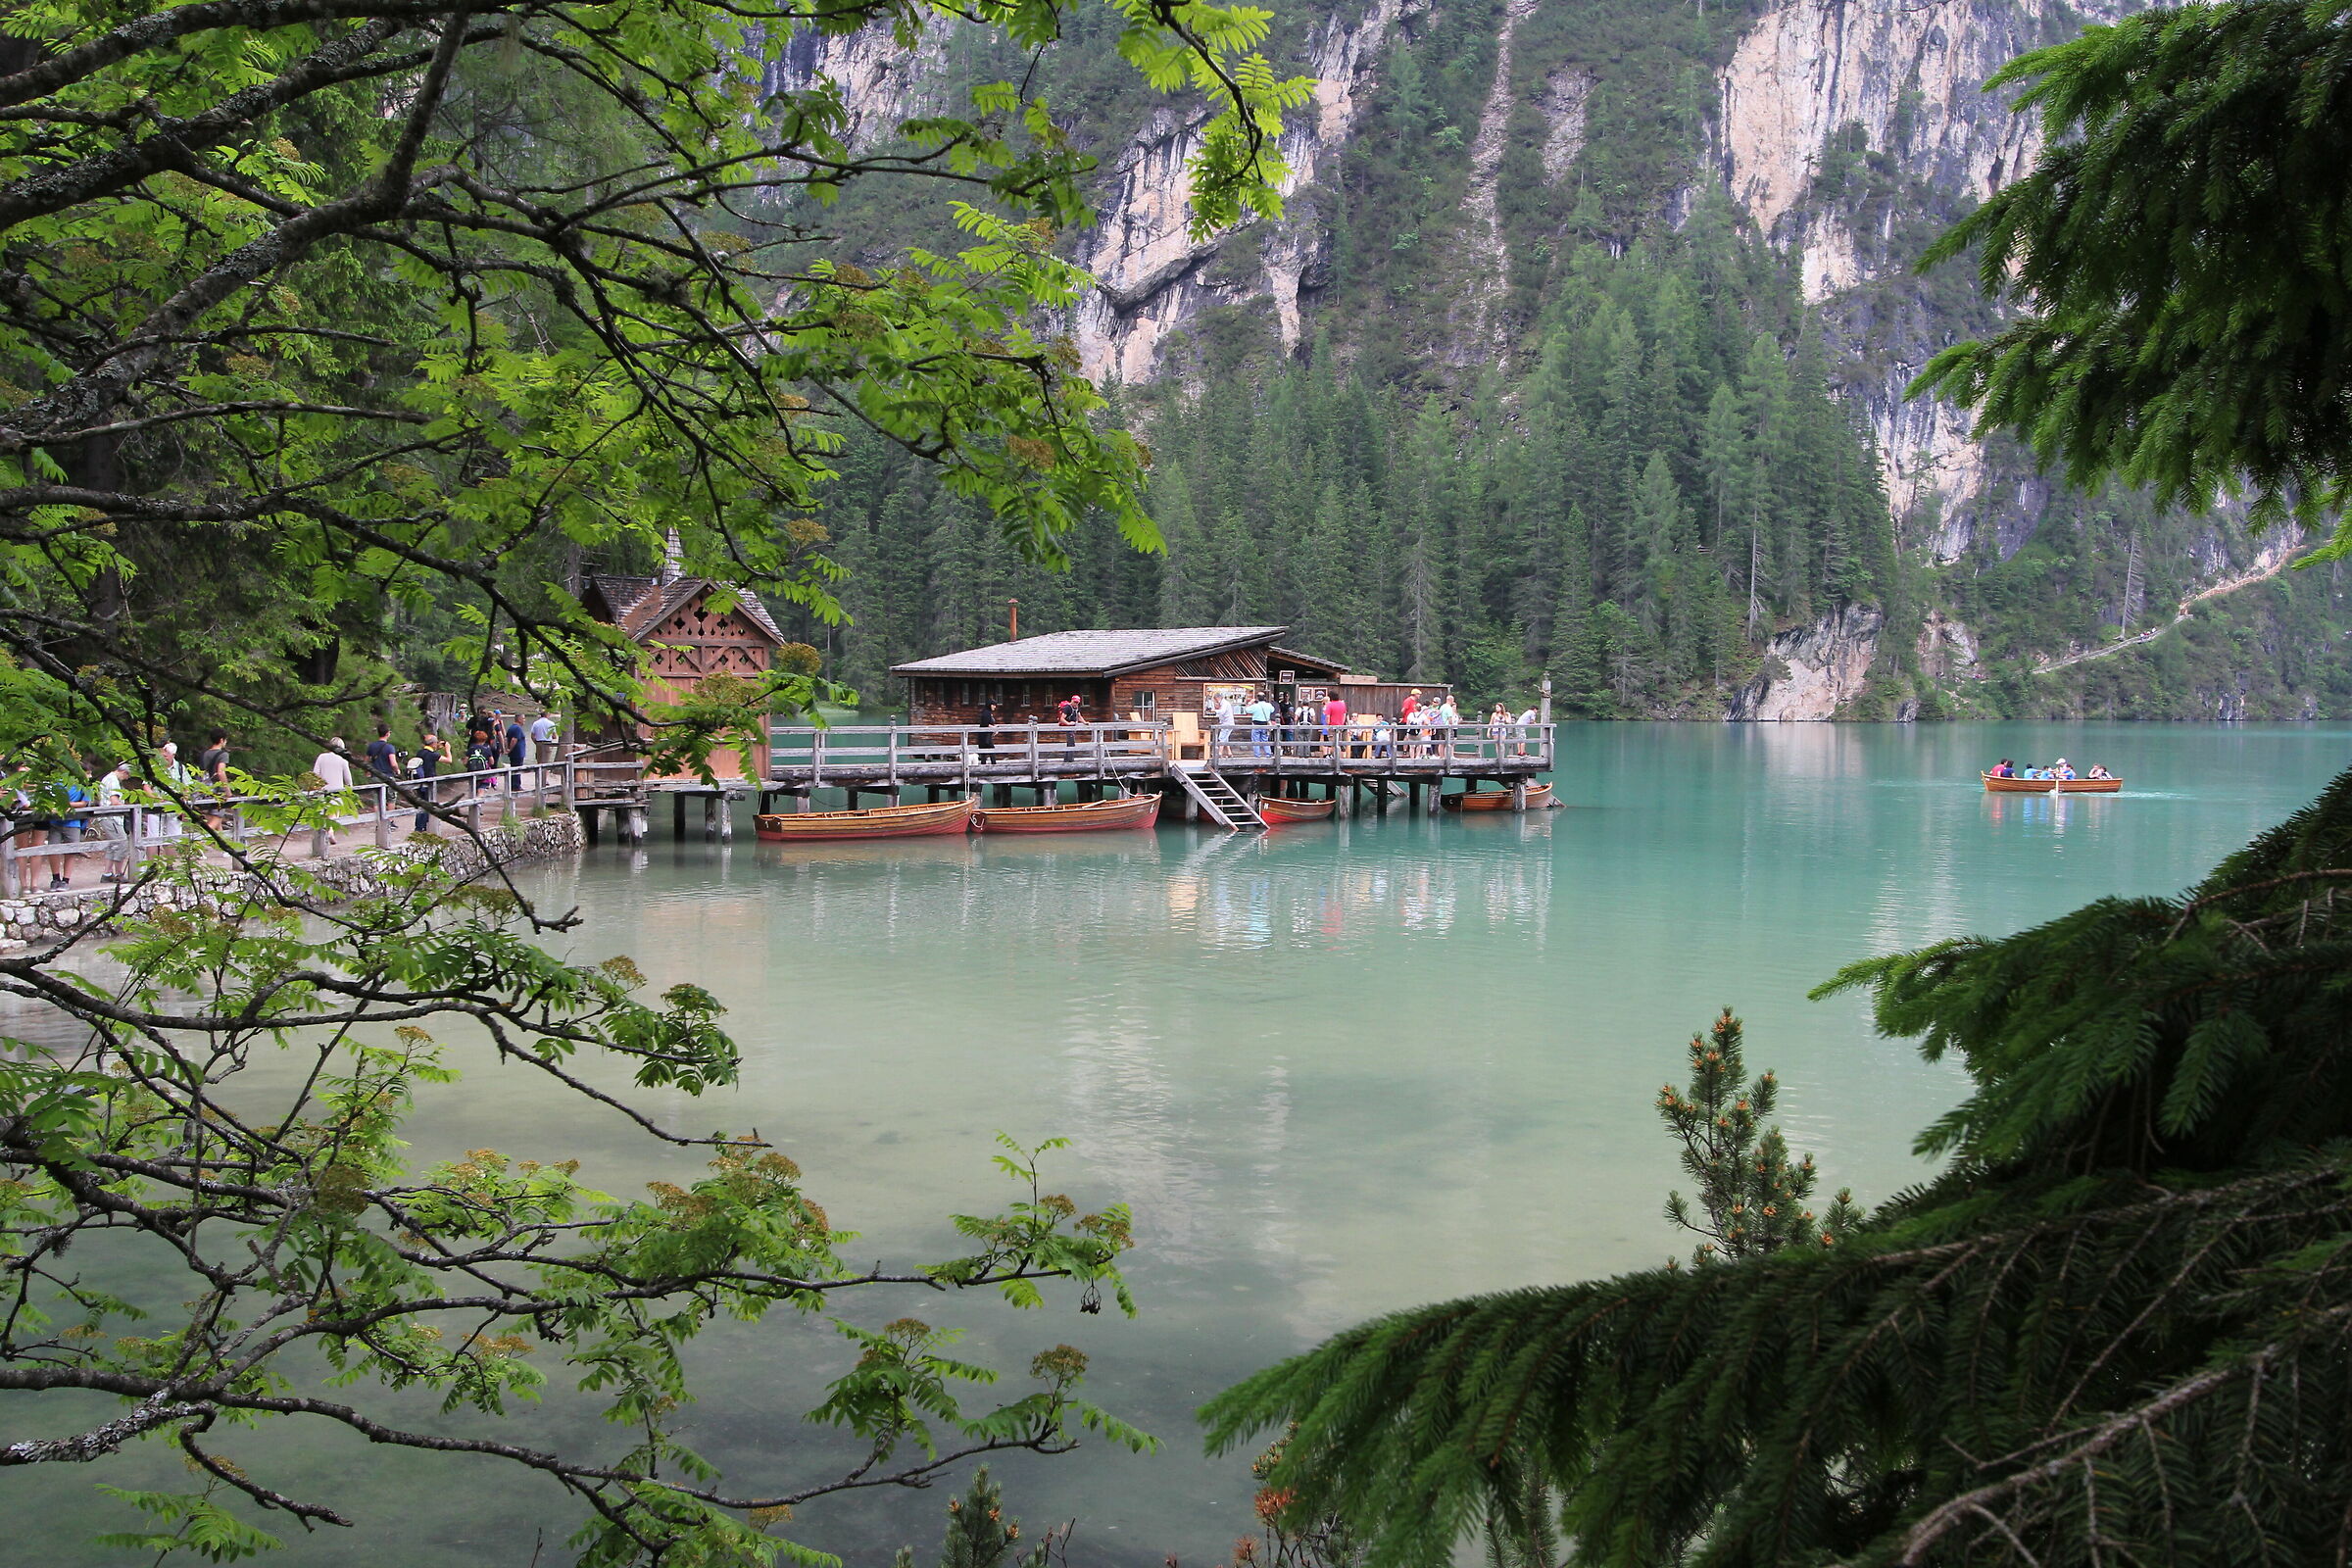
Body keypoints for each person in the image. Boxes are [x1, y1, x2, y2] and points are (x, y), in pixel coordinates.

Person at [92, 760, 133, 881]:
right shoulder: (113, 780)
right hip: (111, 818)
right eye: (127, 775)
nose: (126, 779)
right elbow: (114, 801)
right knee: (122, 843)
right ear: (124, 772)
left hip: (107, 818)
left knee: (113, 845)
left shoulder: (107, 778)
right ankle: (119, 873)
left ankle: (107, 873)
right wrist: (126, 807)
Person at [313, 737, 354, 847]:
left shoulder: (321, 757)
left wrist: (317, 786)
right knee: (334, 813)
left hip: (323, 791)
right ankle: (330, 832)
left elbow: (315, 773)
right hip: (337, 791)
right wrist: (350, 789)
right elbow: (348, 779)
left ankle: (325, 836)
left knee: (325, 814)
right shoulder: (342, 760)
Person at [412, 731, 448, 830]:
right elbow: (449, 760)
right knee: (429, 804)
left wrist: (436, 748)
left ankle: (419, 827)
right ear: (433, 743)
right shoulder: (433, 755)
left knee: (421, 804)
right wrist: (447, 749)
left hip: (419, 781)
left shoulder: (420, 752)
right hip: (429, 783)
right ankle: (424, 826)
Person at [1245, 689, 1275, 760]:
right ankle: (1268, 754)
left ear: (1257, 698)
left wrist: (1250, 703)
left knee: (1256, 740)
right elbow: (1272, 710)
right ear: (1264, 698)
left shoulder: (1255, 706)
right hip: (1265, 725)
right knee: (1265, 740)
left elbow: (1246, 710)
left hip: (1256, 725)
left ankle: (1257, 755)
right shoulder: (1268, 705)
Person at [1056, 692, 1082, 760]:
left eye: (1077, 702)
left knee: (1070, 743)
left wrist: (1085, 722)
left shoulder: (1076, 708)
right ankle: (1070, 760)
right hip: (1069, 728)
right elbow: (1062, 719)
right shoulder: (1067, 708)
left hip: (1073, 728)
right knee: (1071, 743)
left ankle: (1067, 759)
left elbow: (1079, 717)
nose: (1076, 704)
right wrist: (1068, 724)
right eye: (1075, 702)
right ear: (1072, 700)